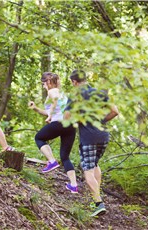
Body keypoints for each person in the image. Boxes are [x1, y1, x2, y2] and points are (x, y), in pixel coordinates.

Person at [64, 69, 119, 216]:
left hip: (88, 137)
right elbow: (115, 111)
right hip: (103, 135)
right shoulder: (99, 92)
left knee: (87, 169)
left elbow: (67, 116)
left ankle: (98, 203)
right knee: (95, 165)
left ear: (74, 82)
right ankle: (96, 197)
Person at [28, 72, 78, 193]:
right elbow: (51, 110)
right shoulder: (61, 93)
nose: (43, 86)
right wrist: (36, 108)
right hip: (70, 125)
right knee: (65, 156)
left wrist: (50, 116)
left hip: (60, 122)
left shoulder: (53, 91)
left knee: (39, 138)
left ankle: (52, 161)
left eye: (44, 83)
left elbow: (54, 103)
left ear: (49, 82)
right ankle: (73, 185)